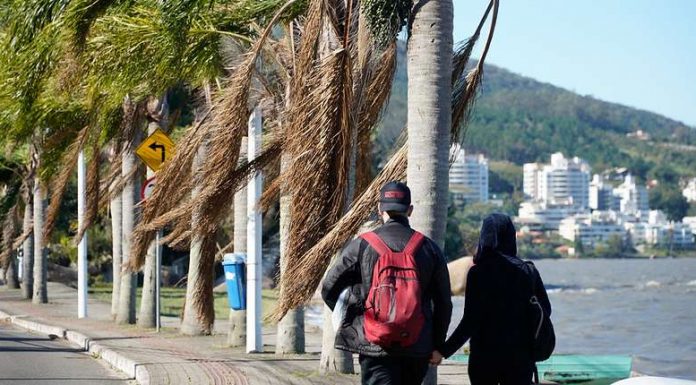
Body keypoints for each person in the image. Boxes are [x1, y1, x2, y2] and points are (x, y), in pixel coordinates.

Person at [322, 181, 453, 385]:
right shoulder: (429, 248)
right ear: (409, 210)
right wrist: (437, 345)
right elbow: (444, 303)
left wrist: (359, 317)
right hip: (417, 346)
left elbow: (329, 287)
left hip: (375, 345)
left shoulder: (362, 245)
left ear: (379, 208)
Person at [430, 213, 552, 385]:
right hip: (520, 357)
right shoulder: (528, 271)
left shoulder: (478, 273)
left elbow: (470, 321)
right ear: (511, 236)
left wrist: (443, 351)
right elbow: (545, 310)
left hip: (484, 358)